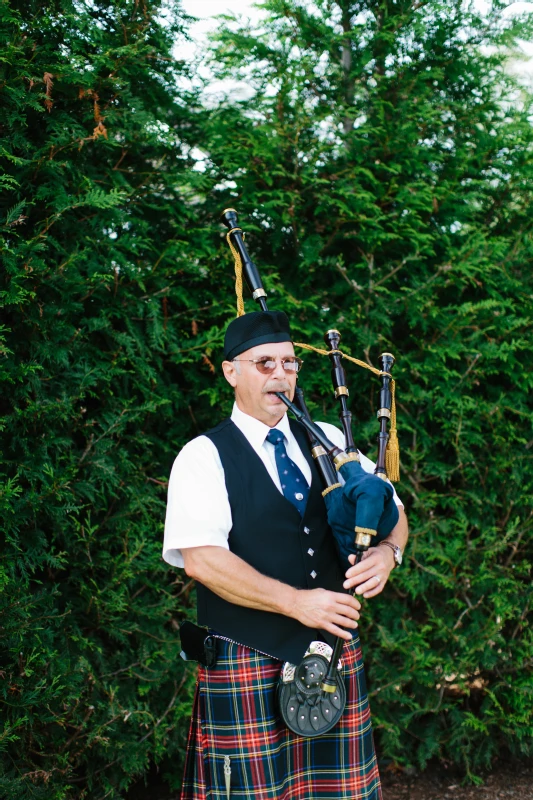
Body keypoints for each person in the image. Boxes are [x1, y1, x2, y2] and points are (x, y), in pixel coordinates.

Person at [163, 310, 408, 800]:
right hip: (246, 659)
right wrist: (296, 602)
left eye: (290, 363)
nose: (281, 374)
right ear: (231, 371)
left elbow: (390, 508)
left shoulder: (330, 441)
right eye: (264, 363)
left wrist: (389, 551)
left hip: (330, 659)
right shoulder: (203, 456)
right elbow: (202, 561)